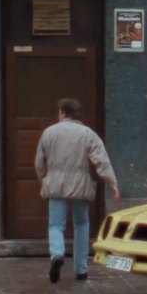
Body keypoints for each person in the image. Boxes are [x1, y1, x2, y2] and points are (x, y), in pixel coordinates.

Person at [35, 98, 120, 283]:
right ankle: (81, 269)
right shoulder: (88, 134)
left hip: (56, 186)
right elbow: (101, 161)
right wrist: (112, 183)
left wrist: (43, 180)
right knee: (81, 224)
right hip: (80, 185)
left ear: (62, 113)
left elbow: (39, 162)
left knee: (56, 225)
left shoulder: (49, 133)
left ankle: (57, 255)